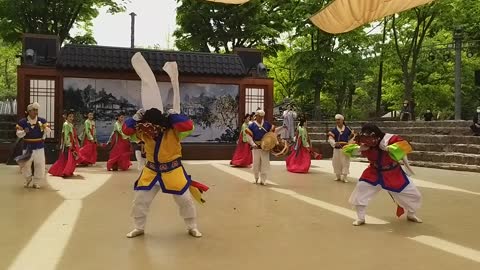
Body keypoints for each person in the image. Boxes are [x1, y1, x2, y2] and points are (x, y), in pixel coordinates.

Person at [122, 108, 208, 238]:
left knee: (185, 200)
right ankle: (139, 227)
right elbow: (126, 131)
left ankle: (192, 226)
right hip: (151, 172)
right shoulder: (143, 132)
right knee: (140, 199)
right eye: (147, 124)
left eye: (153, 125)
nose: (150, 128)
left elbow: (188, 126)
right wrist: (135, 118)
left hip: (173, 170)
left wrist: (174, 115)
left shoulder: (174, 131)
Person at [343, 123, 423, 226]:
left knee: (414, 194)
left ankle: (411, 214)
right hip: (373, 172)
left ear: (376, 136)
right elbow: (346, 148)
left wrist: (389, 148)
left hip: (393, 173)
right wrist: (359, 148)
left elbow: (405, 146)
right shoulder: (362, 140)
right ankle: (361, 218)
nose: (367, 141)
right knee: (360, 191)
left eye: (370, 139)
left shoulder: (389, 139)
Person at [15, 102, 51, 188]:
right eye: (34, 110)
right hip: (27, 146)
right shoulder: (22, 122)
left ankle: (36, 182)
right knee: (26, 164)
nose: (36, 112)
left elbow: (48, 131)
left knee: (40, 164)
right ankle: (28, 179)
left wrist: (45, 128)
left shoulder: (41, 121)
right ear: (29, 111)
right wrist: (24, 131)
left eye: (36, 110)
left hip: (39, 146)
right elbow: (18, 134)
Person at [245, 109, 276, 185]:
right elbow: (248, 136)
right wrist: (252, 144)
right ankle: (256, 178)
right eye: (260, 116)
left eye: (262, 116)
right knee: (256, 163)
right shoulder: (251, 125)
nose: (261, 118)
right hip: (256, 147)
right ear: (256, 116)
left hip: (265, 147)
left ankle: (263, 180)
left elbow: (272, 134)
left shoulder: (267, 124)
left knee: (265, 163)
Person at [49, 110, 81, 177]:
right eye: (70, 116)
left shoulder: (70, 124)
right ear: (67, 117)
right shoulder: (66, 124)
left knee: (70, 158)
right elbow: (66, 135)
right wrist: (68, 144)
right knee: (67, 158)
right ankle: (65, 171)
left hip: (72, 142)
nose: (71, 118)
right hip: (68, 143)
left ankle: (68, 170)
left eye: (72, 117)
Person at [327, 114, 354, 182]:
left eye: (339, 120)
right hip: (336, 149)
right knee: (336, 162)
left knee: (345, 162)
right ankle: (337, 176)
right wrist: (334, 143)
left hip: (345, 149)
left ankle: (345, 177)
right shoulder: (334, 130)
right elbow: (330, 138)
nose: (337, 121)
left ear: (342, 120)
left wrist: (349, 144)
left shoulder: (348, 129)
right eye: (336, 120)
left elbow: (353, 137)